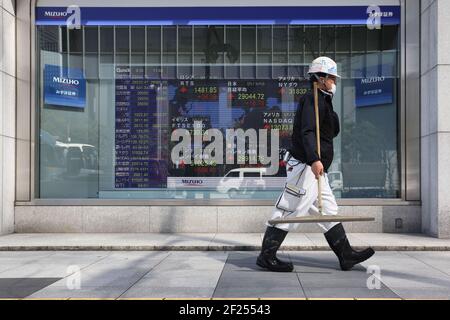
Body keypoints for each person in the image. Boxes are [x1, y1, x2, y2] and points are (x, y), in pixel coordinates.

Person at [256, 57, 375, 272]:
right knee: (290, 210)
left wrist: (331, 110)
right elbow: (308, 131)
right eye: (331, 78)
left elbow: (332, 131)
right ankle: (267, 255)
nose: (334, 82)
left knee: (328, 210)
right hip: (305, 166)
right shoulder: (312, 99)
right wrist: (314, 159)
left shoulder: (323, 100)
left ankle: (345, 255)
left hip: (315, 168)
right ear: (320, 78)